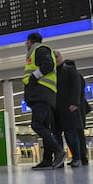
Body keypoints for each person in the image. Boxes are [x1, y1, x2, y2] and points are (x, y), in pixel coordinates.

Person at [22, 33, 67, 170]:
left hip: (41, 94)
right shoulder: (36, 52)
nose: (26, 45)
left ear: (30, 42)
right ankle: (47, 160)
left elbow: (48, 64)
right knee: (46, 127)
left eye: (27, 43)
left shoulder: (40, 49)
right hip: (43, 95)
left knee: (37, 124)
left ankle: (59, 151)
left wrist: (33, 78)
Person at [52, 51, 82, 167]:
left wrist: (75, 103)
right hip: (54, 108)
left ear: (61, 57)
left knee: (70, 134)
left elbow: (76, 86)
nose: (55, 59)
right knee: (56, 134)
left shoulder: (69, 70)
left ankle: (77, 158)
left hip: (68, 107)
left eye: (57, 56)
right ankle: (59, 161)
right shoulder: (50, 73)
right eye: (53, 57)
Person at [63, 59, 91, 166]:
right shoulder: (78, 76)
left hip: (77, 109)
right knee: (78, 133)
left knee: (78, 133)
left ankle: (81, 157)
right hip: (79, 109)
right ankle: (79, 156)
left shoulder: (76, 77)